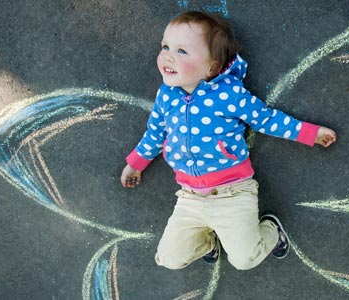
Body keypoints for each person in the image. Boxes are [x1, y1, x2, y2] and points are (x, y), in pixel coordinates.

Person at [120, 11, 336, 270]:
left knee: (245, 260)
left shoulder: (230, 94)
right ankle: (208, 243)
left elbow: (266, 120)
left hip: (233, 193)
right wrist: (136, 163)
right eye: (165, 46)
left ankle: (270, 231)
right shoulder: (166, 95)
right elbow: (155, 133)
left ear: (211, 67)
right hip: (190, 197)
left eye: (182, 51)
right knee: (169, 259)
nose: (168, 55)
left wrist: (311, 134)